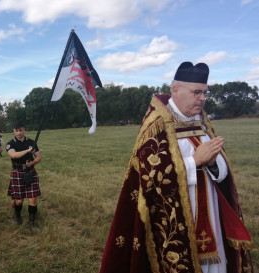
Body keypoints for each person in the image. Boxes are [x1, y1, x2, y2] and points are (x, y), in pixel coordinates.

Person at [99, 62, 253, 273]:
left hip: (211, 214)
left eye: (205, 92)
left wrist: (213, 164)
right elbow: (149, 178)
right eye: (196, 92)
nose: (202, 98)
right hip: (173, 217)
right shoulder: (157, 124)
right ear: (176, 90)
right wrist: (194, 162)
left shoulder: (203, 123)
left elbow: (223, 173)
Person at [6, 122, 41, 230]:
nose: (19, 133)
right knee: (19, 200)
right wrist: (28, 151)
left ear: (24, 130)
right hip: (17, 171)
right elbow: (14, 155)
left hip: (30, 171)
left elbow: (38, 157)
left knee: (32, 200)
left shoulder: (31, 142)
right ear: (14, 131)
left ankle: (32, 223)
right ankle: (17, 216)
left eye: (21, 130)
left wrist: (33, 163)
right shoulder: (10, 144)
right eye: (16, 130)